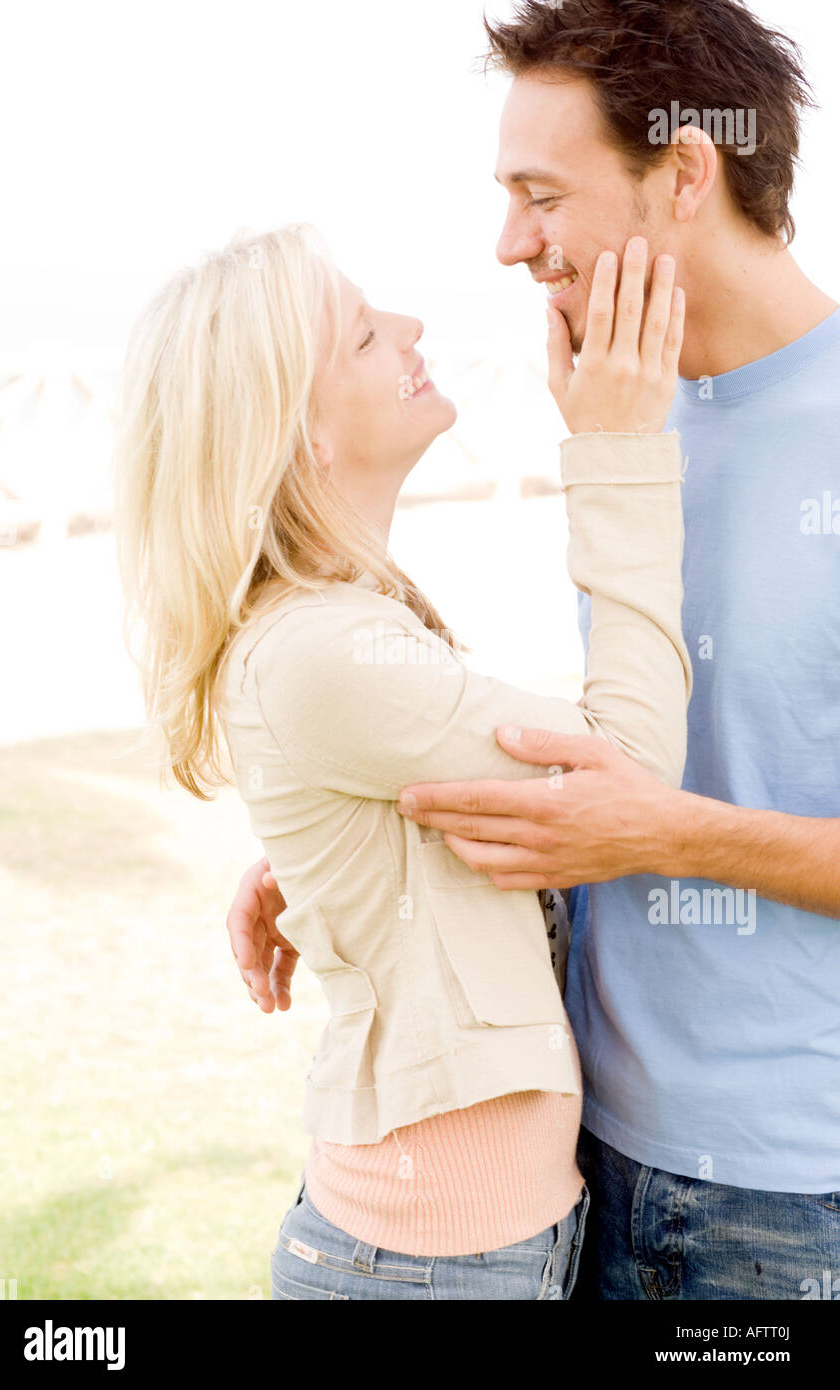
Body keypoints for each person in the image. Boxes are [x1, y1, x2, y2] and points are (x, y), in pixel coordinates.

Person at [230, 0, 840, 1301]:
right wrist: (387, 827)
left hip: (787, 1203)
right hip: (566, 1165)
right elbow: (655, 720)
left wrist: (670, 835)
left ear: (685, 171)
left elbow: (650, 798)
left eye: (539, 195)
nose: (510, 245)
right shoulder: (622, 412)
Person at [115, 217, 690, 1299]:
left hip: (450, 1252)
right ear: (302, 436)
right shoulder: (325, 648)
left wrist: (348, 868)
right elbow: (626, 774)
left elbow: (432, 771)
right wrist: (616, 453)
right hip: (426, 1264)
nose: (412, 326)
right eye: (365, 337)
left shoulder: (328, 630)